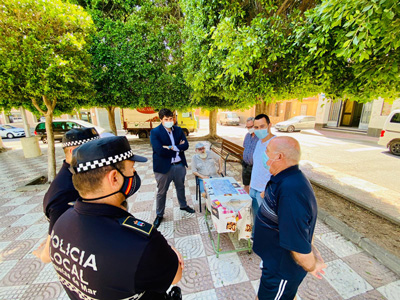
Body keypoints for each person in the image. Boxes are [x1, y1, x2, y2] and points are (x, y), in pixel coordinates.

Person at [49, 136, 184, 300]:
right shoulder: (141, 242)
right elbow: (175, 276)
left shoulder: (61, 222)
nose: (134, 173)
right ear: (114, 178)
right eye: (131, 168)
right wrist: (170, 253)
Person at [253, 136, 326, 300]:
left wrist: (312, 265)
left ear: (279, 157)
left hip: (281, 270)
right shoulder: (284, 177)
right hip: (273, 261)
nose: (264, 154)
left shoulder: (291, 192)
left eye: (267, 151)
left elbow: (299, 247)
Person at [33, 127, 100, 263]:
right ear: (72, 151)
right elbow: (49, 253)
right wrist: (44, 249)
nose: (98, 153)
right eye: (91, 148)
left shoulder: (79, 174)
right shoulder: (65, 190)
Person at [150, 108, 195, 228]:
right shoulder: (155, 132)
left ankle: (183, 205)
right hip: (163, 168)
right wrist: (177, 148)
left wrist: (170, 147)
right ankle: (159, 214)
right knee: (161, 192)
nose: (169, 121)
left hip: (179, 165)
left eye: (171, 118)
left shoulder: (178, 130)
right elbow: (159, 150)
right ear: (161, 120)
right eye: (166, 119)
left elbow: (186, 145)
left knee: (181, 187)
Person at [249, 114, 275, 223]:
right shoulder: (259, 142)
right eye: (256, 127)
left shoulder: (275, 143)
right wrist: (251, 183)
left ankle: (265, 240)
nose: (259, 130)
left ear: (269, 125)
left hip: (264, 191)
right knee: (254, 217)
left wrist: (267, 190)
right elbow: (257, 165)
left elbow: (278, 170)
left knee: (265, 220)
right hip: (253, 188)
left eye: (262, 126)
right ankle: (255, 237)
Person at [242, 117, 259, 194]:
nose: (249, 129)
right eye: (247, 127)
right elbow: (245, 147)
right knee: (246, 184)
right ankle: (246, 200)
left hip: (255, 166)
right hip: (245, 164)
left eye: (251, 127)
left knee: (254, 186)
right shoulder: (247, 135)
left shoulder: (260, 137)